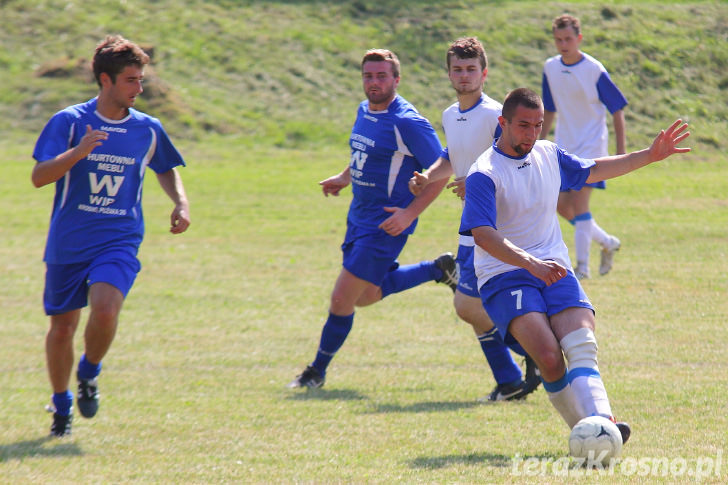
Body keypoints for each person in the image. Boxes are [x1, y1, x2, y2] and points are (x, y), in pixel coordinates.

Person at [459, 87, 689, 443]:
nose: (532, 134)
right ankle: (585, 432)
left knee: (582, 344)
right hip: (504, 275)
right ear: (502, 122)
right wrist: (530, 263)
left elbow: (593, 169)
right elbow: (484, 235)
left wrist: (650, 155)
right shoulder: (484, 173)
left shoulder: (548, 153)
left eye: (538, 125)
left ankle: (601, 424)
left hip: (551, 267)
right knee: (550, 358)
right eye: (523, 125)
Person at [32, 35, 191, 437]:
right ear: (105, 80)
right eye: (131, 81)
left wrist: (180, 203)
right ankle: (61, 405)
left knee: (105, 308)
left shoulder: (147, 128)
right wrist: (78, 153)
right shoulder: (69, 122)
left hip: (118, 238)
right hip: (69, 240)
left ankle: (88, 371)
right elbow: (39, 176)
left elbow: (166, 167)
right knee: (63, 328)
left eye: (141, 79)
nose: (140, 89)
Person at [287, 49, 457, 389]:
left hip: (386, 224)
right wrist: (343, 177)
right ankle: (437, 269)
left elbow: (440, 172)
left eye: (382, 76)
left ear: (396, 79)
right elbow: (364, 152)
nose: (374, 82)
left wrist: (410, 214)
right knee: (365, 296)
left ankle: (315, 372)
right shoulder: (364, 110)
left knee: (341, 298)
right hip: (358, 217)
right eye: (368, 76)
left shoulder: (407, 122)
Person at [408, 37, 539, 401]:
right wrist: (428, 175)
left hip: (498, 227)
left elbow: (517, 159)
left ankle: (533, 355)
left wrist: (478, 183)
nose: (464, 76)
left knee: (469, 306)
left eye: (470, 70)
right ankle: (513, 379)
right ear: (449, 73)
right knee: (475, 307)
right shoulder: (452, 115)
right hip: (474, 227)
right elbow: (453, 155)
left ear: (484, 73)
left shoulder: (496, 115)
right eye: (457, 70)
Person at [541, 14, 627, 280]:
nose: (563, 44)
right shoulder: (550, 68)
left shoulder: (594, 69)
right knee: (560, 204)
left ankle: (582, 269)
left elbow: (617, 109)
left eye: (568, 39)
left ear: (579, 38)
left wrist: (621, 152)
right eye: (558, 39)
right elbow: (550, 110)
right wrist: (537, 144)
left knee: (579, 204)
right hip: (565, 147)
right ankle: (608, 242)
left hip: (592, 146)